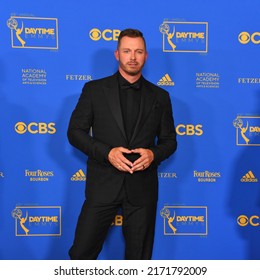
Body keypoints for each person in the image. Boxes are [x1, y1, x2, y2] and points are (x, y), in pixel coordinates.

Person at [67, 28, 177, 260]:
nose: (133, 57)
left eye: (138, 51)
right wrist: (107, 153)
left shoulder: (160, 96)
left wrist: (153, 154)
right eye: (127, 51)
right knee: (80, 255)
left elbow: (169, 142)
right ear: (117, 54)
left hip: (142, 189)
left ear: (146, 56)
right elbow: (75, 133)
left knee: (139, 261)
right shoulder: (94, 90)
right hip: (103, 184)